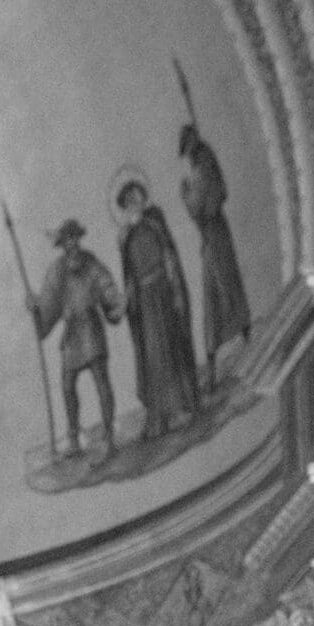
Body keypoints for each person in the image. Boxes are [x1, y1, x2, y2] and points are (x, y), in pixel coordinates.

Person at [114, 175, 200, 438]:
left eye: (136, 196)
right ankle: (159, 417)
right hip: (145, 303)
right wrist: (125, 302)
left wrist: (175, 290)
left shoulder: (154, 222)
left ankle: (181, 408)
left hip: (163, 293)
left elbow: (169, 256)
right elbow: (129, 276)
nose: (133, 202)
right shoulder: (126, 237)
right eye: (128, 200)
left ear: (142, 197)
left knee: (172, 348)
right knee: (152, 357)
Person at [30, 218, 123, 456]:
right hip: (72, 334)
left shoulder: (91, 262)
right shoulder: (57, 270)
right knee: (67, 386)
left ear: (78, 239)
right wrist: (36, 309)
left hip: (91, 327)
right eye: (66, 239)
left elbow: (105, 284)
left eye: (74, 237)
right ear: (62, 244)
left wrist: (114, 302)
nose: (71, 243)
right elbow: (48, 303)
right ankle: (73, 441)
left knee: (102, 381)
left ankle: (110, 437)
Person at [178, 123, 250, 387]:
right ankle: (217, 356)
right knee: (219, 290)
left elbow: (202, 207)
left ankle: (232, 345)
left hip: (214, 234)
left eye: (187, 149)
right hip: (213, 235)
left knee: (222, 287)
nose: (187, 155)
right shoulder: (204, 165)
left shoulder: (203, 167)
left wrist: (186, 195)